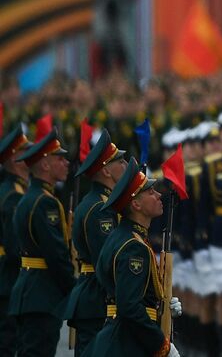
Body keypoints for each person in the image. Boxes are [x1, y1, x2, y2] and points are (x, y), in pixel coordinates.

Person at [91, 160, 179, 357]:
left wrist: (161, 304)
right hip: (126, 343)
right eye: (150, 192)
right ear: (136, 204)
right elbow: (129, 306)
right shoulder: (133, 247)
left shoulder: (125, 237)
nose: (158, 195)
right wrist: (162, 346)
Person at [8, 129, 74, 357]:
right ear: (45, 165)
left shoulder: (28, 198)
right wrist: (72, 289)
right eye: (60, 158)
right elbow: (56, 254)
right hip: (42, 295)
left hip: (29, 290)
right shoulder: (46, 203)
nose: (66, 163)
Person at [64, 129, 128, 357]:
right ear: (106, 170)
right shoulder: (100, 209)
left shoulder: (100, 203)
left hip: (94, 296)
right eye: (120, 161)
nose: (126, 165)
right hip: (96, 298)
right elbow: (108, 260)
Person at [0, 124, 32, 356]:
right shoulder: (13, 195)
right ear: (14, 160)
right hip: (8, 277)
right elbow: (14, 246)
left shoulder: (10, 189)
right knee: (9, 341)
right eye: (25, 153)